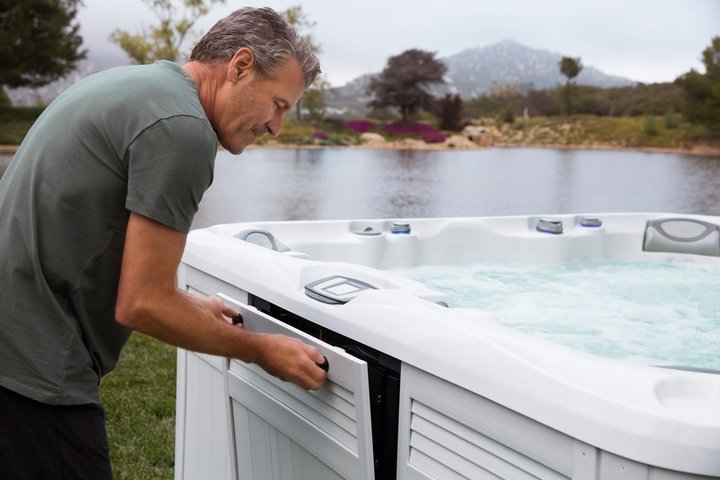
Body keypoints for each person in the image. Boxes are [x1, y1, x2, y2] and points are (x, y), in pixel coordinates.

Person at [0, 7, 326, 479]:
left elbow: (127, 270)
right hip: (32, 364)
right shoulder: (183, 129)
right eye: (278, 104)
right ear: (240, 66)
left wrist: (188, 304)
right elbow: (142, 304)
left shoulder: (143, 88)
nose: (276, 127)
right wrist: (260, 350)